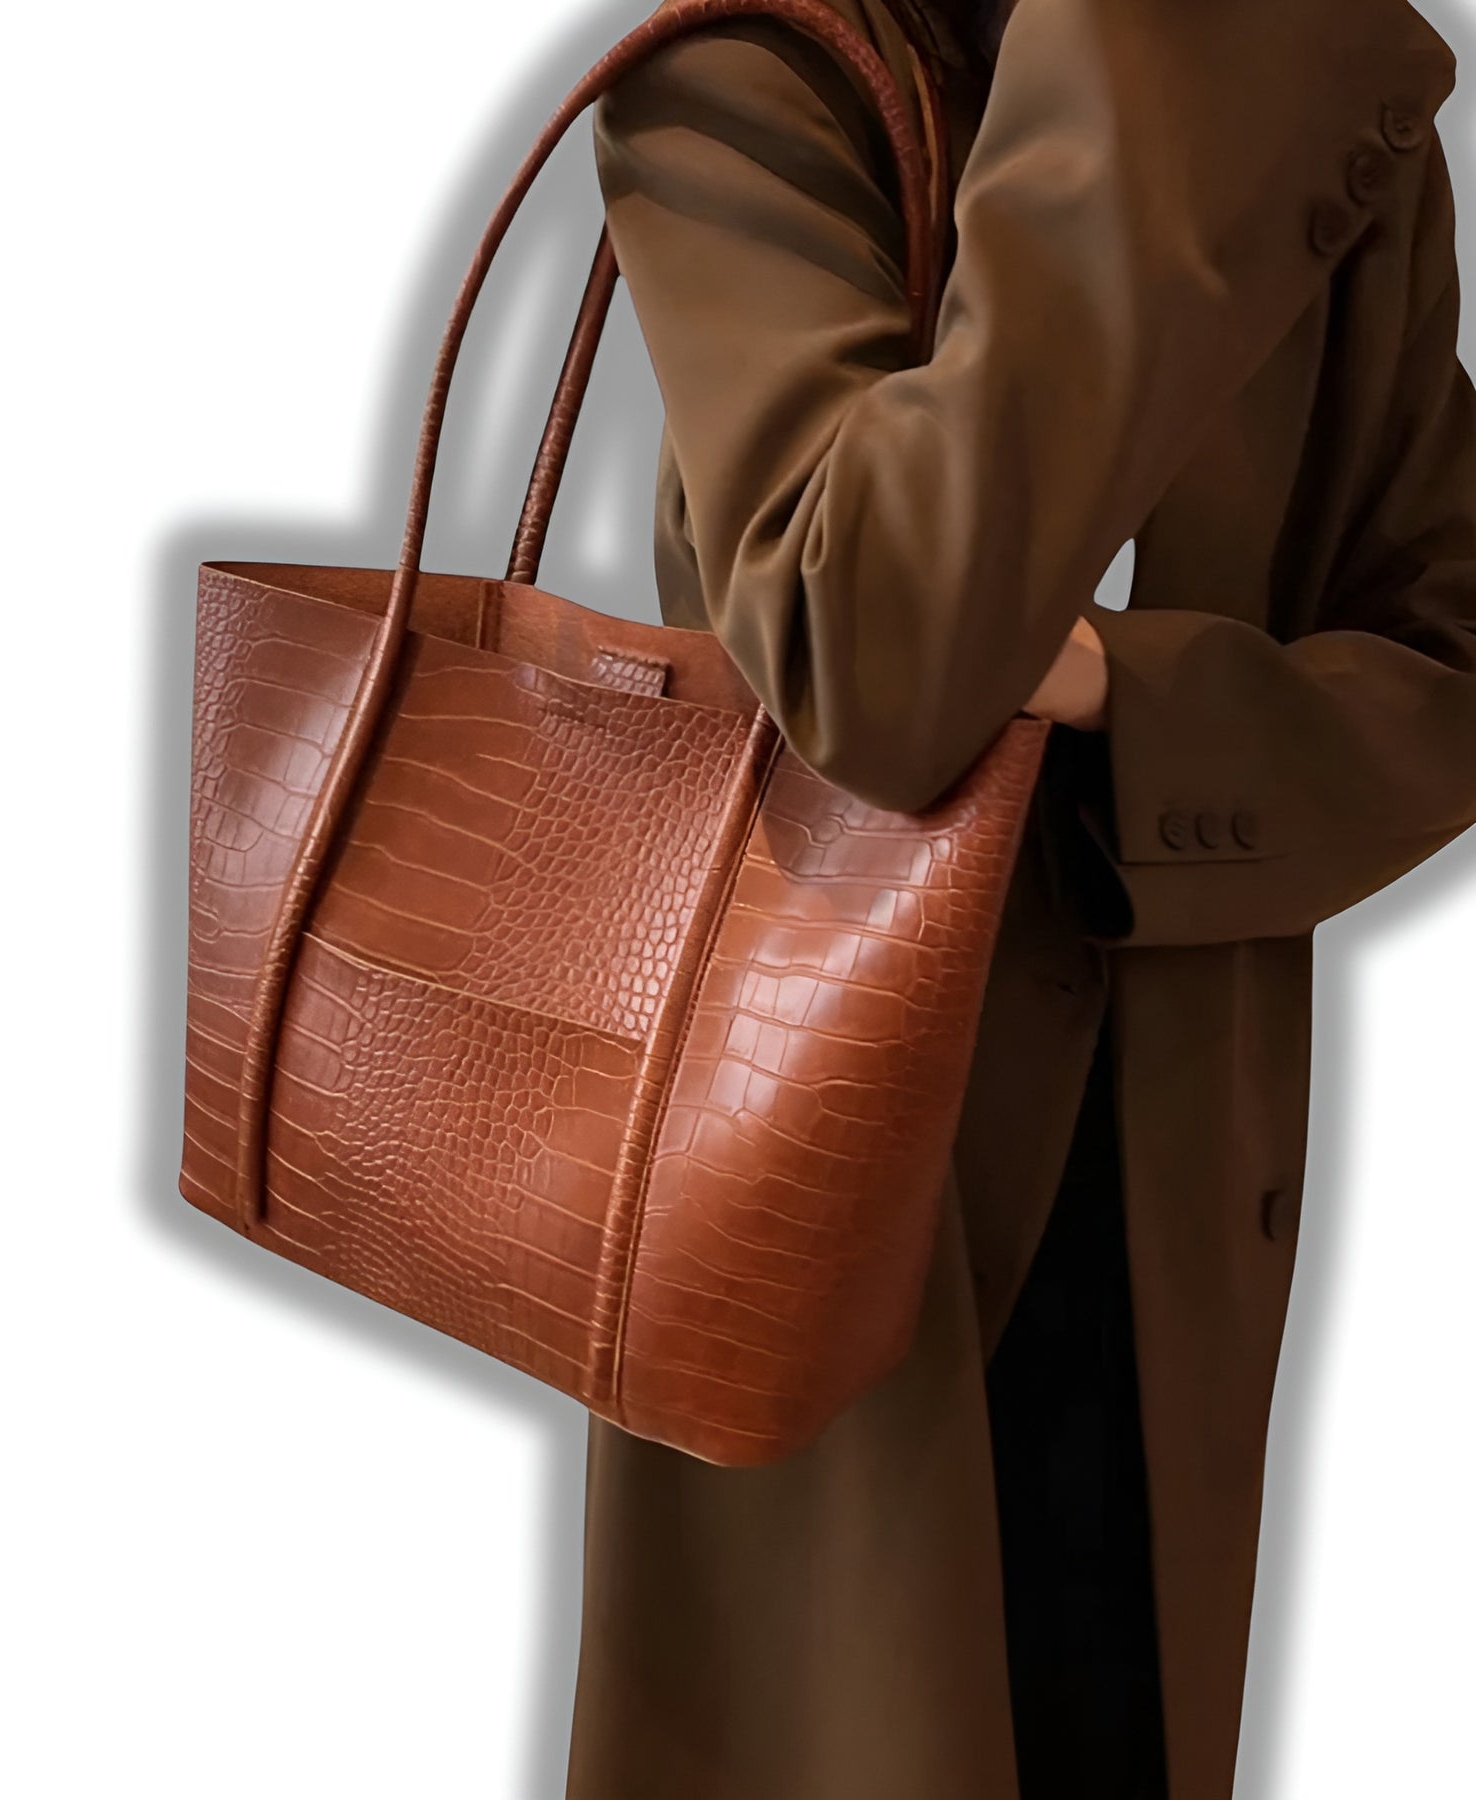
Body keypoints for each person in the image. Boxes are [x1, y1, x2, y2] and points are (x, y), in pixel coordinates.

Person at [564, 2, 1476, 1797]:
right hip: (817, 1156)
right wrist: (1121, 57)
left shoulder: (1301, 80)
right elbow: (876, 656)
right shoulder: (759, 67)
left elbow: (1449, 666)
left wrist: (1128, 691)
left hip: (1168, 1176)